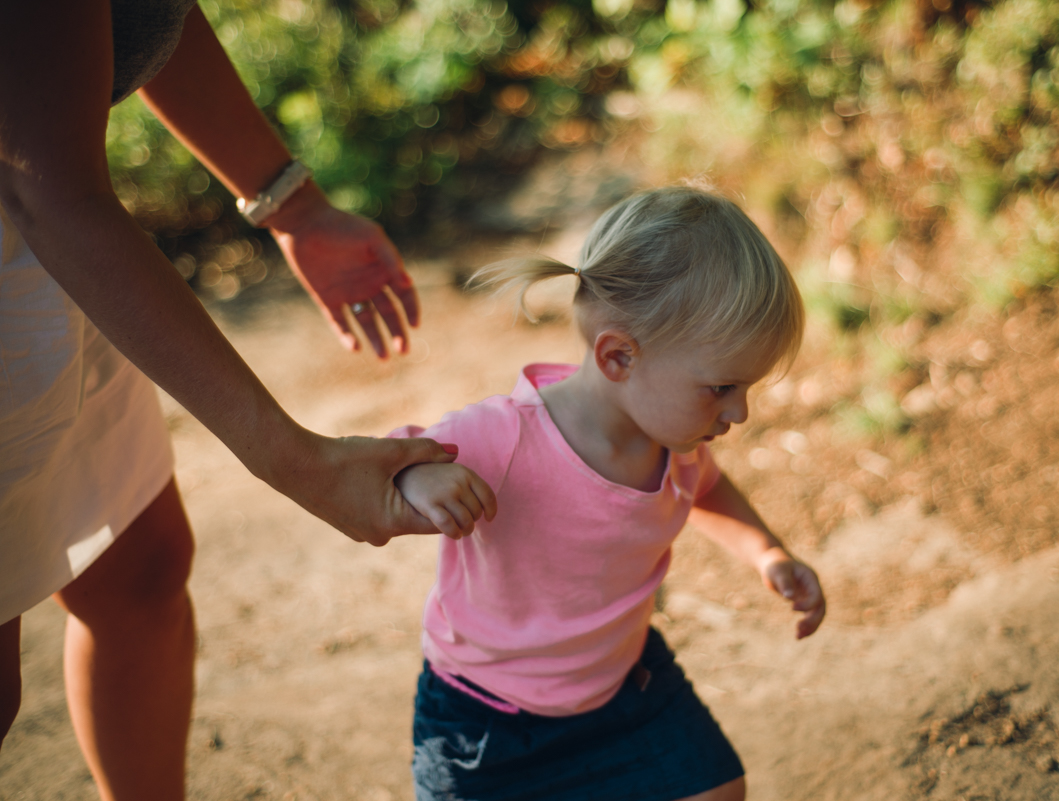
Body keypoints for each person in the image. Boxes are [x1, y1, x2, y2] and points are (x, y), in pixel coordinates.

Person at [0, 2, 472, 796]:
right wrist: (298, 460)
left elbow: (139, 17)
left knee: (139, 568)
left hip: (59, 250)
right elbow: (46, 187)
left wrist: (291, 203)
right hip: (50, 223)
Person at [387, 186, 826, 801]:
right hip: (487, 718)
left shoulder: (677, 442)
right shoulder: (504, 437)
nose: (741, 411)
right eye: (722, 387)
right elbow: (383, 459)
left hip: (623, 687)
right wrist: (415, 475)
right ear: (619, 356)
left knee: (717, 789)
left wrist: (767, 553)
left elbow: (708, 489)